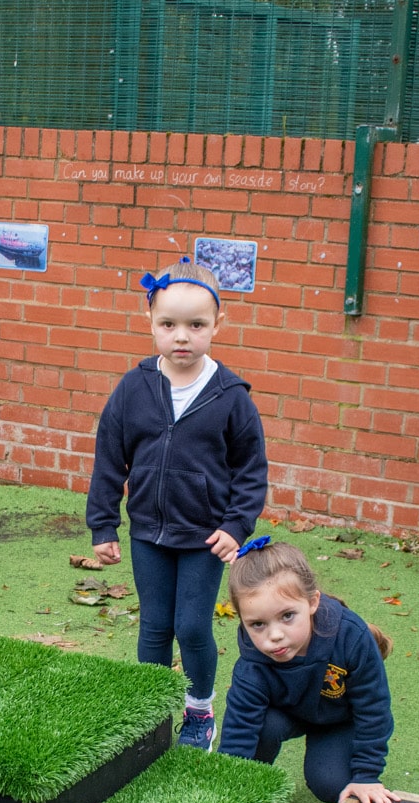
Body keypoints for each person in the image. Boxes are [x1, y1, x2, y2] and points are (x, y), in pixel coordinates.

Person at [86, 259, 269, 750]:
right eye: (168, 324)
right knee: (154, 625)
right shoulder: (134, 388)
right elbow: (109, 459)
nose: (181, 337)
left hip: (204, 536)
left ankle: (199, 711)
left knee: (190, 626)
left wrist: (236, 525)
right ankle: (148, 716)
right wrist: (103, 525)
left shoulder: (231, 397)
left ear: (217, 325)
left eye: (196, 325)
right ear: (151, 321)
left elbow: (252, 470)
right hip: (148, 530)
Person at [217, 537, 397, 803]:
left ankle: (341, 764)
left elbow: (373, 709)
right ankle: (251, 785)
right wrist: (226, 786)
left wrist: (366, 775)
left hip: (338, 718)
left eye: (287, 616)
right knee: (263, 726)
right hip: (286, 714)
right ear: (242, 619)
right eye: (257, 624)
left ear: (313, 602)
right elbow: (239, 730)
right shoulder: (252, 664)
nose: (274, 636)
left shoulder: (352, 637)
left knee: (331, 785)